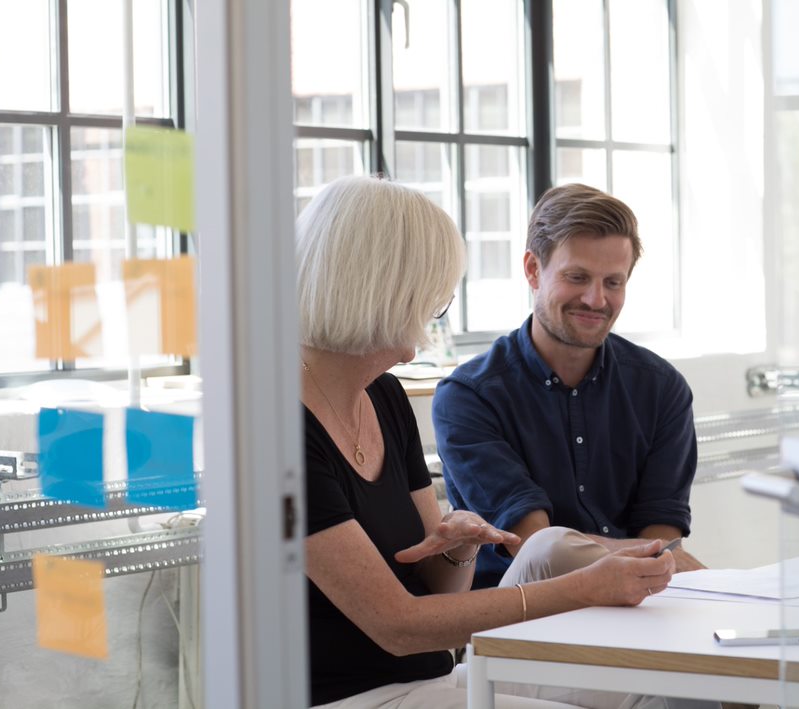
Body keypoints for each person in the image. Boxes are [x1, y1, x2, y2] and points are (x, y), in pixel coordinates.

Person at [298, 176, 710, 709]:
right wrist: (588, 586)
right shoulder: (284, 431)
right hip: (353, 697)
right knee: (554, 553)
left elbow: (438, 586)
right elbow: (397, 626)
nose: (436, 311)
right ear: (382, 291)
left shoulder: (384, 397)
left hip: (434, 677)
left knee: (676, 687)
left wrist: (460, 548)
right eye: (433, 295)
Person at [433, 183, 705, 591]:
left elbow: (662, 536)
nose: (596, 300)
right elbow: (536, 547)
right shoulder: (469, 396)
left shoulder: (662, 388)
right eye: (577, 277)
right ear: (532, 270)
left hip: (637, 600)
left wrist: (661, 559)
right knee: (548, 549)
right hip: (522, 608)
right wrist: (656, 556)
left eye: (613, 282)